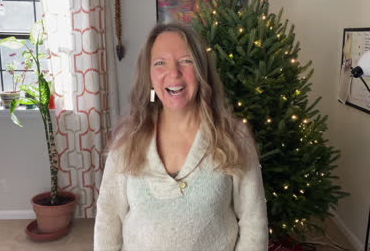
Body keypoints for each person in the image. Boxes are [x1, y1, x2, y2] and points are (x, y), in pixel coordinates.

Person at [94, 23, 268, 251]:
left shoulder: (233, 136)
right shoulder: (128, 138)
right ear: (149, 75)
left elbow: (253, 222)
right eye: (160, 63)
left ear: (201, 70)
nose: (174, 73)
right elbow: (109, 217)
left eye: (186, 61)